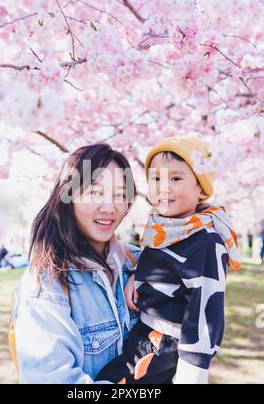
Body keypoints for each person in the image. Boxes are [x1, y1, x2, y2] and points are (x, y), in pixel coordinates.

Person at [96, 136, 241, 384]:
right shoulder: (165, 229)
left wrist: (191, 373)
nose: (164, 187)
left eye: (175, 178)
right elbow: (162, 267)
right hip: (145, 333)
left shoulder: (204, 241)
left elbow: (206, 310)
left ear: (200, 189)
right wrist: (137, 277)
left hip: (165, 343)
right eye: (156, 179)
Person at [12, 143, 141, 383]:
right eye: (95, 192)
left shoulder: (138, 262)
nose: (109, 207)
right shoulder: (47, 281)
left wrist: (149, 273)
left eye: (120, 195)